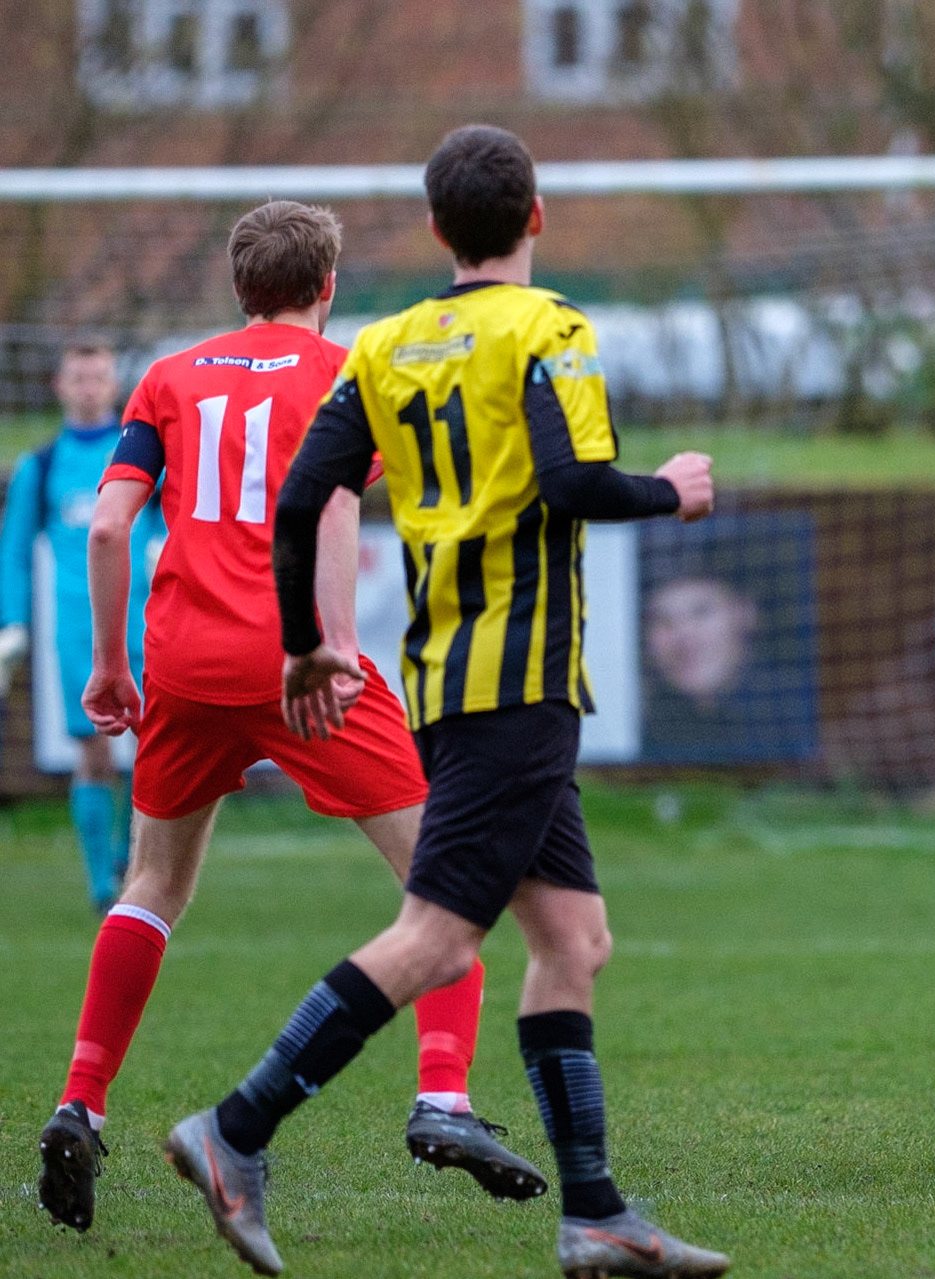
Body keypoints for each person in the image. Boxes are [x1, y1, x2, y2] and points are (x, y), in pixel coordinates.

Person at [164, 126, 727, 1279]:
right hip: (517, 681)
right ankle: (237, 1128)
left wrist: (304, 642)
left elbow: (304, 492)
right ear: (537, 218)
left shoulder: (386, 344)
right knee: (438, 936)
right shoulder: (551, 328)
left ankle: (597, 1215)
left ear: (434, 230)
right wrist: (668, 492)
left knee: (574, 938)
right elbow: (572, 484)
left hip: (446, 677)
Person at [35, 200, 544, 1239]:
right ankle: (442, 1097)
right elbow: (345, 507)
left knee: (152, 886)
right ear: (327, 287)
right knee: (447, 884)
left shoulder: (170, 376)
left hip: (182, 665)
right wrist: (338, 651)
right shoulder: (351, 374)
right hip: (299, 661)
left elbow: (106, 525)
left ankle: (79, 1102)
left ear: (239, 287)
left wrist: (108, 666)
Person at [0, 341, 162, 912]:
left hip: (150, 625)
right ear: (60, 386)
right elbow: (14, 552)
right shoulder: (40, 467)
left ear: (114, 385)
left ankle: (132, 859)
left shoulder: (143, 452)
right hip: (79, 632)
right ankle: (100, 882)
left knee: (154, 750)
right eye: (79, 377)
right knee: (92, 751)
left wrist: (162, 548)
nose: (90, 386)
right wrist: (11, 623)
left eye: (99, 376)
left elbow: (173, 520)